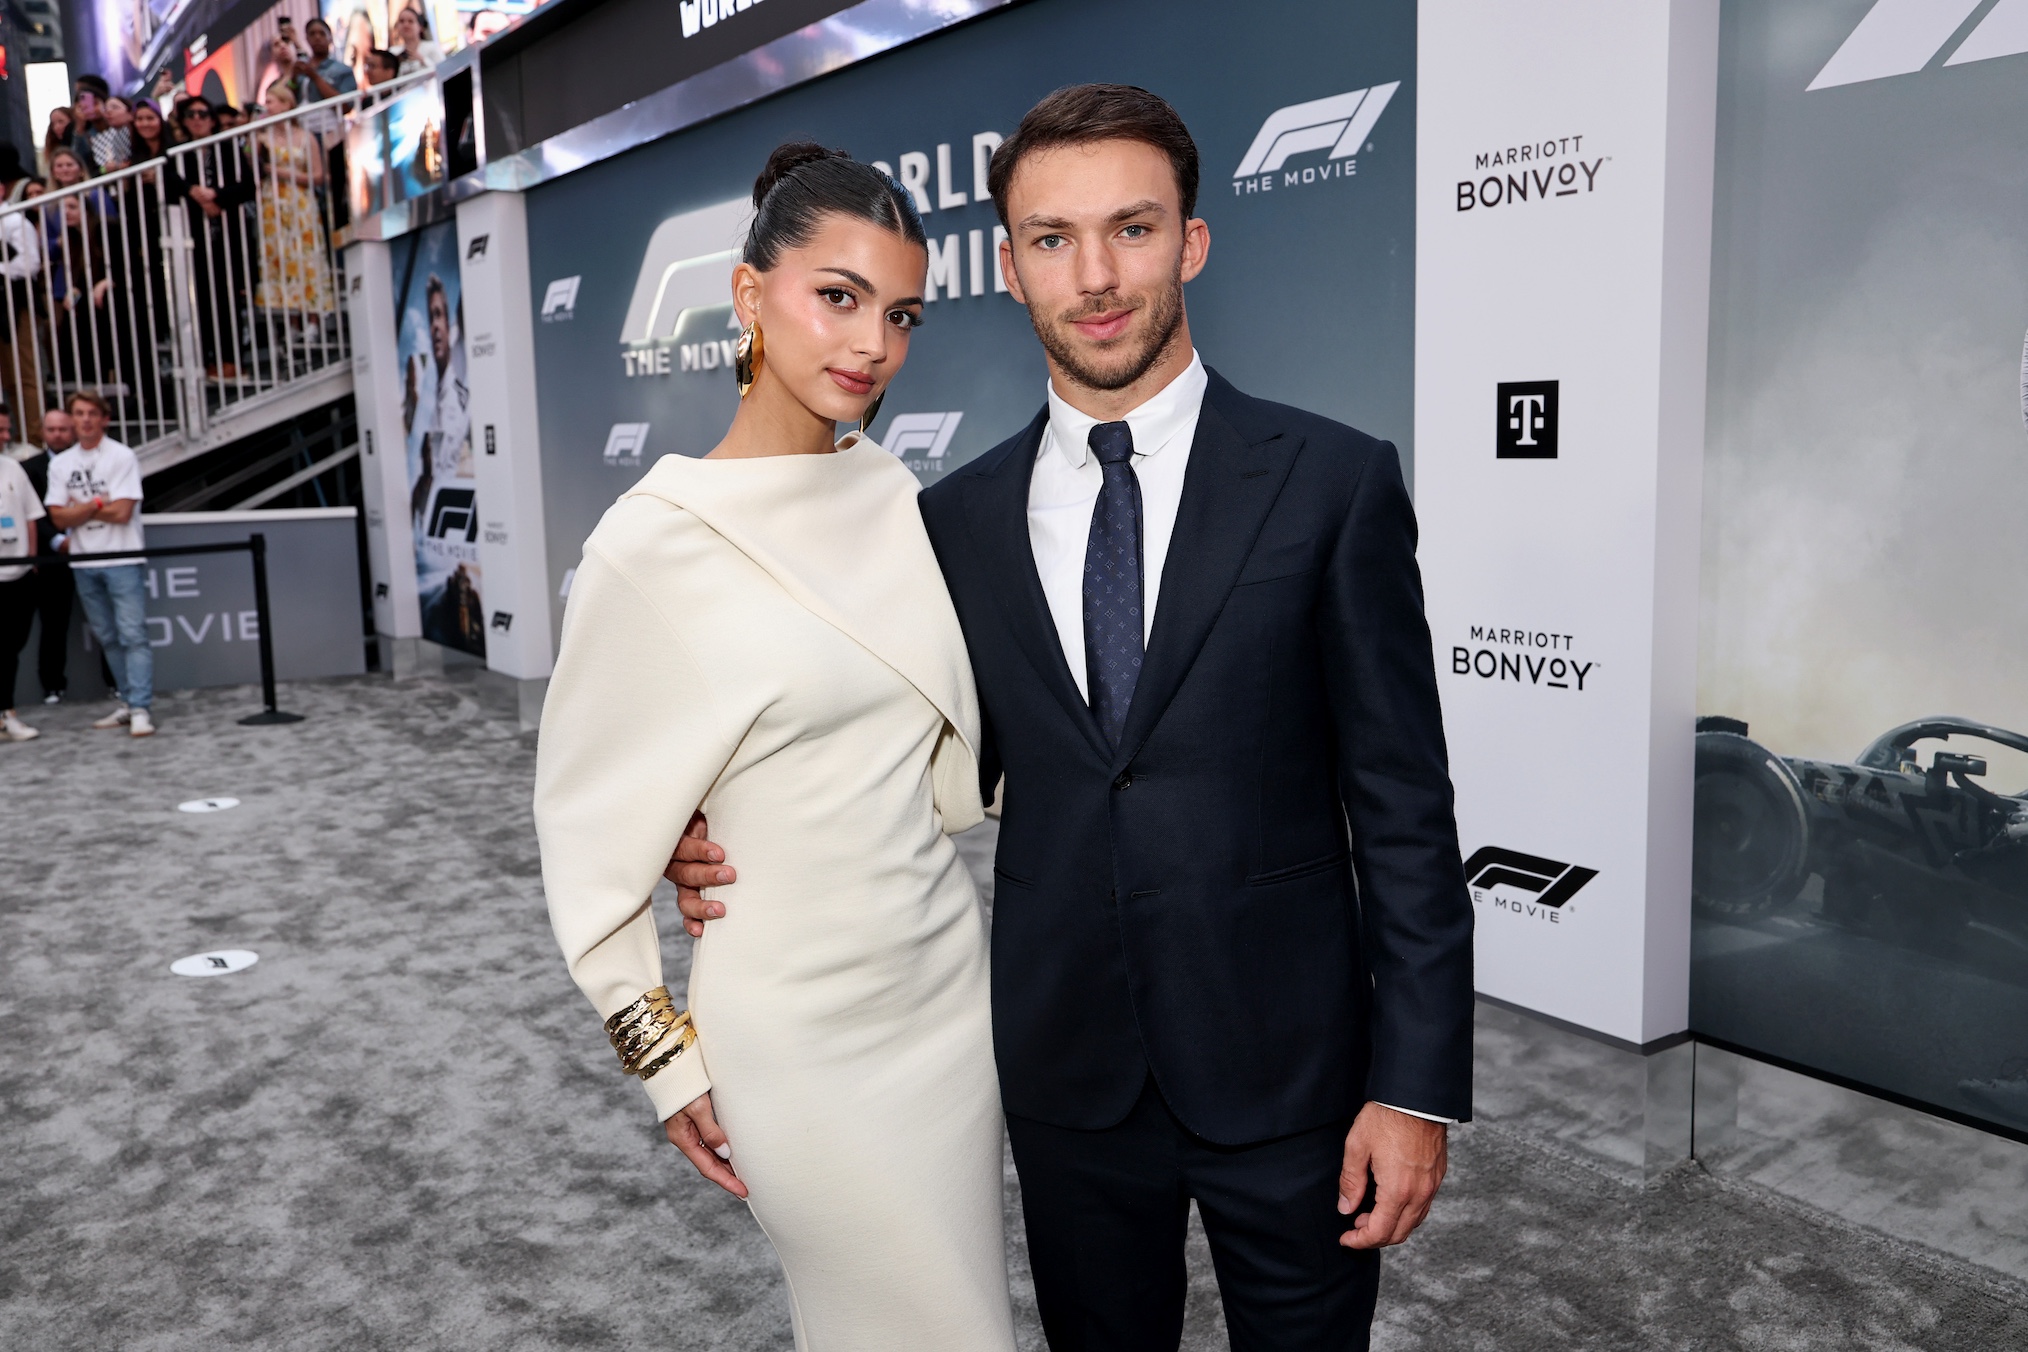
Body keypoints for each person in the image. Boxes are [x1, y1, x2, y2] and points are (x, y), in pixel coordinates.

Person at [669, 86, 1474, 1351]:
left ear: (1192, 243)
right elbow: (886, 741)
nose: (1095, 276)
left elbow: (1408, 811)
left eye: (1133, 229)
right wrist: (711, 821)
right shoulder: (948, 524)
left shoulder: (1331, 481)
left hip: (1293, 1073)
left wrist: (1414, 1085)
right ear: (1008, 266)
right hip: (1063, 1074)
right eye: (1052, 238)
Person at [533, 142, 1017, 1350]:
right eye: (837, 297)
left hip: (946, 996)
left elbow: (947, 749)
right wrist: (665, 1060)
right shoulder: (654, 544)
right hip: (796, 1034)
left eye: (900, 313)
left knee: (965, 1313)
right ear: (751, 296)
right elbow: (591, 845)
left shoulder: (898, 493)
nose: (872, 344)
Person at [43, 391, 152, 737]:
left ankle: (140, 708)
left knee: (133, 634)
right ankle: (127, 702)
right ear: (72, 419)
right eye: (79, 413)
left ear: (104, 418)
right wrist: (97, 504)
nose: (85, 419)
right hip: (83, 561)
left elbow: (123, 513)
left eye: (92, 413)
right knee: (108, 637)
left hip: (122, 556)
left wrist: (81, 507)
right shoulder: (60, 464)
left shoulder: (122, 455)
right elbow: (58, 519)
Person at [167, 98, 258, 380]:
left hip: (229, 236)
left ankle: (232, 359)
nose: (197, 119)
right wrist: (196, 193)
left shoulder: (228, 147)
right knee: (203, 301)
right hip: (195, 238)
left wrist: (216, 196)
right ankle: (210, 360)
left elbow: (246, 187)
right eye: (191, 114)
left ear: (212, 118)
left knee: (229, 298)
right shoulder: (178, 154)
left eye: (203, 114)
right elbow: (172, 184)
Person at [253, 80, 335, 331]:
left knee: (305, 255)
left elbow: (319, 175)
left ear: (287, 104)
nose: (267, 106)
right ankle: (291, 320)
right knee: (280, 258)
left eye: (271, 101)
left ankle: (312, 318)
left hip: (300, 204)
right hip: (272, 206)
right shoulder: (261, 137)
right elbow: (252, 169)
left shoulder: (305, 137)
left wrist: (280, 172)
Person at [18, 408, 78, 705]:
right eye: (51, 429)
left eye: (63, 429)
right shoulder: (29, 468)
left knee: (107, 623)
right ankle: (53, 686)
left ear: (73, 430)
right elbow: (33, 513)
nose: (57, 434)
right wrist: (56, 541)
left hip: (94, 553)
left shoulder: (88, 462)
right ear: (43, 432)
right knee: (53, 625)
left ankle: (115, 683)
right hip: (52, 559)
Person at [0, 424, 46, 737]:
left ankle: (6, 713)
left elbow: (31, 516)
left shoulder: (14, 467)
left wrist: (30, 561)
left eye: (6, 430)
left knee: (11, 647)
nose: (6, 437)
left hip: (19, 574)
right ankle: (7, 713)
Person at [0, 145, 45, 437]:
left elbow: (30, 264)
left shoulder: (15, 219)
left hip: (15, 306)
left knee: (23, 374)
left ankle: (35, 437)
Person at [295, 17, 359, 101]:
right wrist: (292, 78)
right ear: (307, 39)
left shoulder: (343, 71)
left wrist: (315, 77)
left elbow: (346, 105)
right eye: (312, 34)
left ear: (330, 38)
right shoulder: (301, 69)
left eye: (322, 33)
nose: (317, 37)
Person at [69, 76, 116, 175]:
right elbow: (78, 162)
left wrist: (106, 114)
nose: (91, 109)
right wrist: (79, 125)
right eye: (83, 106)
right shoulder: (84, 135)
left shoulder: (118, 125)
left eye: (95, 103)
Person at [389, 5, 443, 73]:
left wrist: (422, 60)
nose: (406, 25)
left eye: (410, 21)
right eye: (401, 21)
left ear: (420, 27)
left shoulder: (431, 47)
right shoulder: (393, 52)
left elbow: (443, 70)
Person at [41, 106, 74, 176]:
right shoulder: (52, 150)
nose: (56, 127)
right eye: (53, 124)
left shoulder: (80, 143)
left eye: (61, 121)